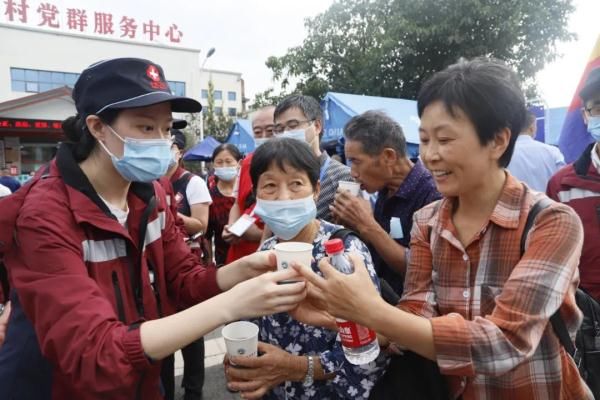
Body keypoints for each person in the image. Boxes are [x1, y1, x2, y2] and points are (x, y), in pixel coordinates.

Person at [0, 57, 307, 400]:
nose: (161, 142)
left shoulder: (151, 193)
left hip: (142, 383)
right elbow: (95, 354)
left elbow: (183, 279)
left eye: (166, 129)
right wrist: (231, 305)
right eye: (146, 128)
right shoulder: (44, 214)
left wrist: (238, 272)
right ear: (98, 127)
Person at [295, 58, 592, 399]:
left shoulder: (550, 222)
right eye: (424, 139)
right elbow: (414, 315)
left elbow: (505, 342)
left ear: (497, 140)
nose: (430, 155)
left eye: (445, 139)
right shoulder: (427, 223)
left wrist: (369, 309)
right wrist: (339, 313)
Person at [224, 137, 387, 399]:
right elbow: (250, 325)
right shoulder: (264, 256)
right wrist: (245, 360)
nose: (284, 197)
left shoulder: (343, 253)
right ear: (256, 194)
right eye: (270, 186)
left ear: (316, 190)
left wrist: (295, 367)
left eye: (296, 184)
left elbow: (370, 343)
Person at [332, 111, 440, 295]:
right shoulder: (383, 188)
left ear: (388, 157)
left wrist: (367, 225)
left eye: (356, 162)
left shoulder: (432, 195)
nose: (353, 173)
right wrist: (354, 229)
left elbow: (422, 271)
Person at [547, 66, 600, 301]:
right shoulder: (562, 186)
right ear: (585, 115)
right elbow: (553, 259)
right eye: (598, 107)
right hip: (589, 322)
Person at [273, 94, 353, 222]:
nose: (286, 133)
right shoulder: (276, 174)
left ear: (317, 126)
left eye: (293, 125)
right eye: (279, 129)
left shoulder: (343, 177)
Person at [223, 106, 275, 263]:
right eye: (258, 132)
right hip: (239, 253)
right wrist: (231, 226)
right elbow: (237, 203)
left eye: (270, 131)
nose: (263, 136)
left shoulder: (290, 165)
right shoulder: (246, 163)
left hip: (269, 256)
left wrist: (257, 235)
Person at [507, 111, 565, 191]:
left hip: (514, 202)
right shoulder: (552, 151)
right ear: (532, 128)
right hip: (549, 202)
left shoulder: (504, 155)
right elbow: (563, 180)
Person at [206, 144, 242, 266]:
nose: (224, 166)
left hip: (252, 256)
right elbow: (207, 236)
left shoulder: (249, 192)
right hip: (224, 262)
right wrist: (209, 264)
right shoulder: (209, 197)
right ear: (213, 165)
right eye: (219, 162)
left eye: (228, 161)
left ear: (239, 163)